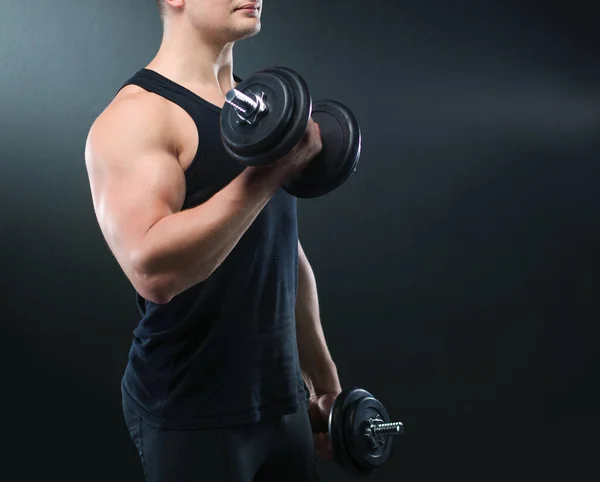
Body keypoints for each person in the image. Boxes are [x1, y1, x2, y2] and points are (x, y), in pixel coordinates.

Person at [84, 1, 342, 481]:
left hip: (282, 404)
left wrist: (324, 382)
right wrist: (267, 176)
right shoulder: (139, 117)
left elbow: (285, 253)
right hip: (190, 410)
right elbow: (153, 270)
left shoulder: (262, 107)